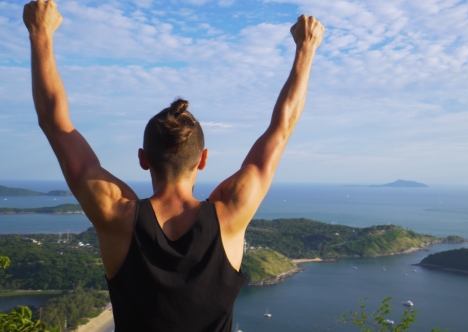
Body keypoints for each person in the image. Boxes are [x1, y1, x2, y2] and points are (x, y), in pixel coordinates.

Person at [23, 1, 324, 331]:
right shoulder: (230, 215)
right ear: (203, 160)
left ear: (143, 159)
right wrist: (305, 49)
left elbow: (55, 123)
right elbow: (282, 129)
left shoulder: (115, 214)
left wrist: (40, 34)